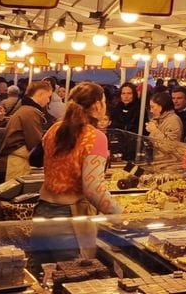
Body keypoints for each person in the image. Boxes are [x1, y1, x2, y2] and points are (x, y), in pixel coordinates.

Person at [34, 82, 122, 263]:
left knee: (44, 280)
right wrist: (121, 215)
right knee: (70, 283)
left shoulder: (54, 129)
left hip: (41, 213)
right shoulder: (95, 137)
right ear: (97, 105)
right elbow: (93, 188)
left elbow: (37, 158)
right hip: (69, 221)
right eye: (104, 101)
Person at [0, 81, 51, 181]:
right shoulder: (30, 112)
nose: (48, 100)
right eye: (48, 96)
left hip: (15, 159)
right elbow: (35, 143)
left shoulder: (26, 109)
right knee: (13, 193)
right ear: (40, 94)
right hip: (16, 162)